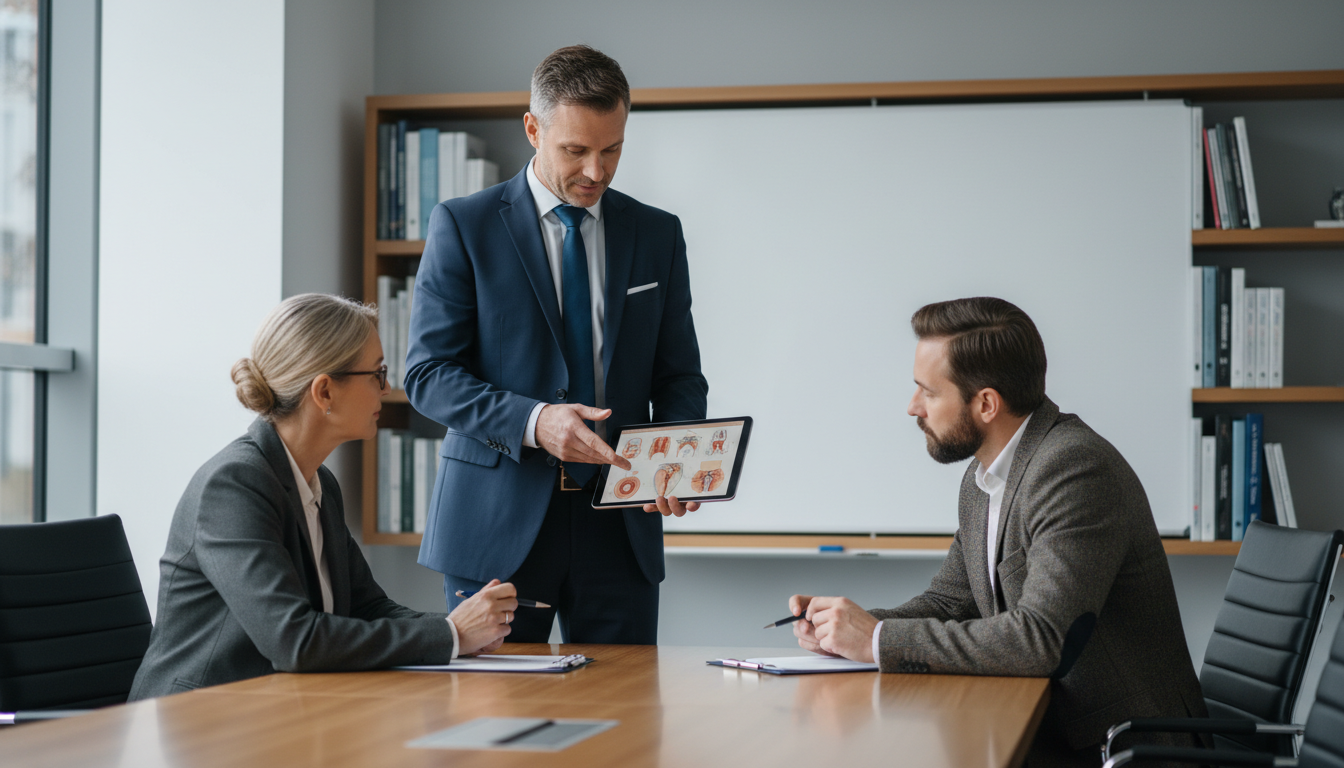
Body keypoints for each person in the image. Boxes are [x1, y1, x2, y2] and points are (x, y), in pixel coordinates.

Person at [787, 297, 1207, 766]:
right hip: (1053, 723)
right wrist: (844, 632)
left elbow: (1039, 639)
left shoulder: (1073, 469)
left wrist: (877, 639)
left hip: (1120, 745)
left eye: (927, 392)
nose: (912, 408)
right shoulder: (984, 477)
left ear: (986, 403)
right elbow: (950, 602)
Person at [406, 44, 708, 645]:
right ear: (532, 129)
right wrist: (535, 421)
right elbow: (428, 373)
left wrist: (674, 458)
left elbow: (679, 376)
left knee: (626, 725)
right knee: (497, 729)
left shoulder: (657, 234)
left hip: (619, 526)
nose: (596, 171)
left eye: (612, 149)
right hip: (495, 522)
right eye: (575, 150)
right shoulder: (463, 225)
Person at [129, 294, 517, 700]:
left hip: (271, 709)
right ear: (325, 392)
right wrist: (450, 634)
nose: (386, 390)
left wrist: (462, 630)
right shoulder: (233, 486)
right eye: (377, 374)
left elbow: (368, 609)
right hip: (195, 724)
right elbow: (294, 639)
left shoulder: (319, 483)